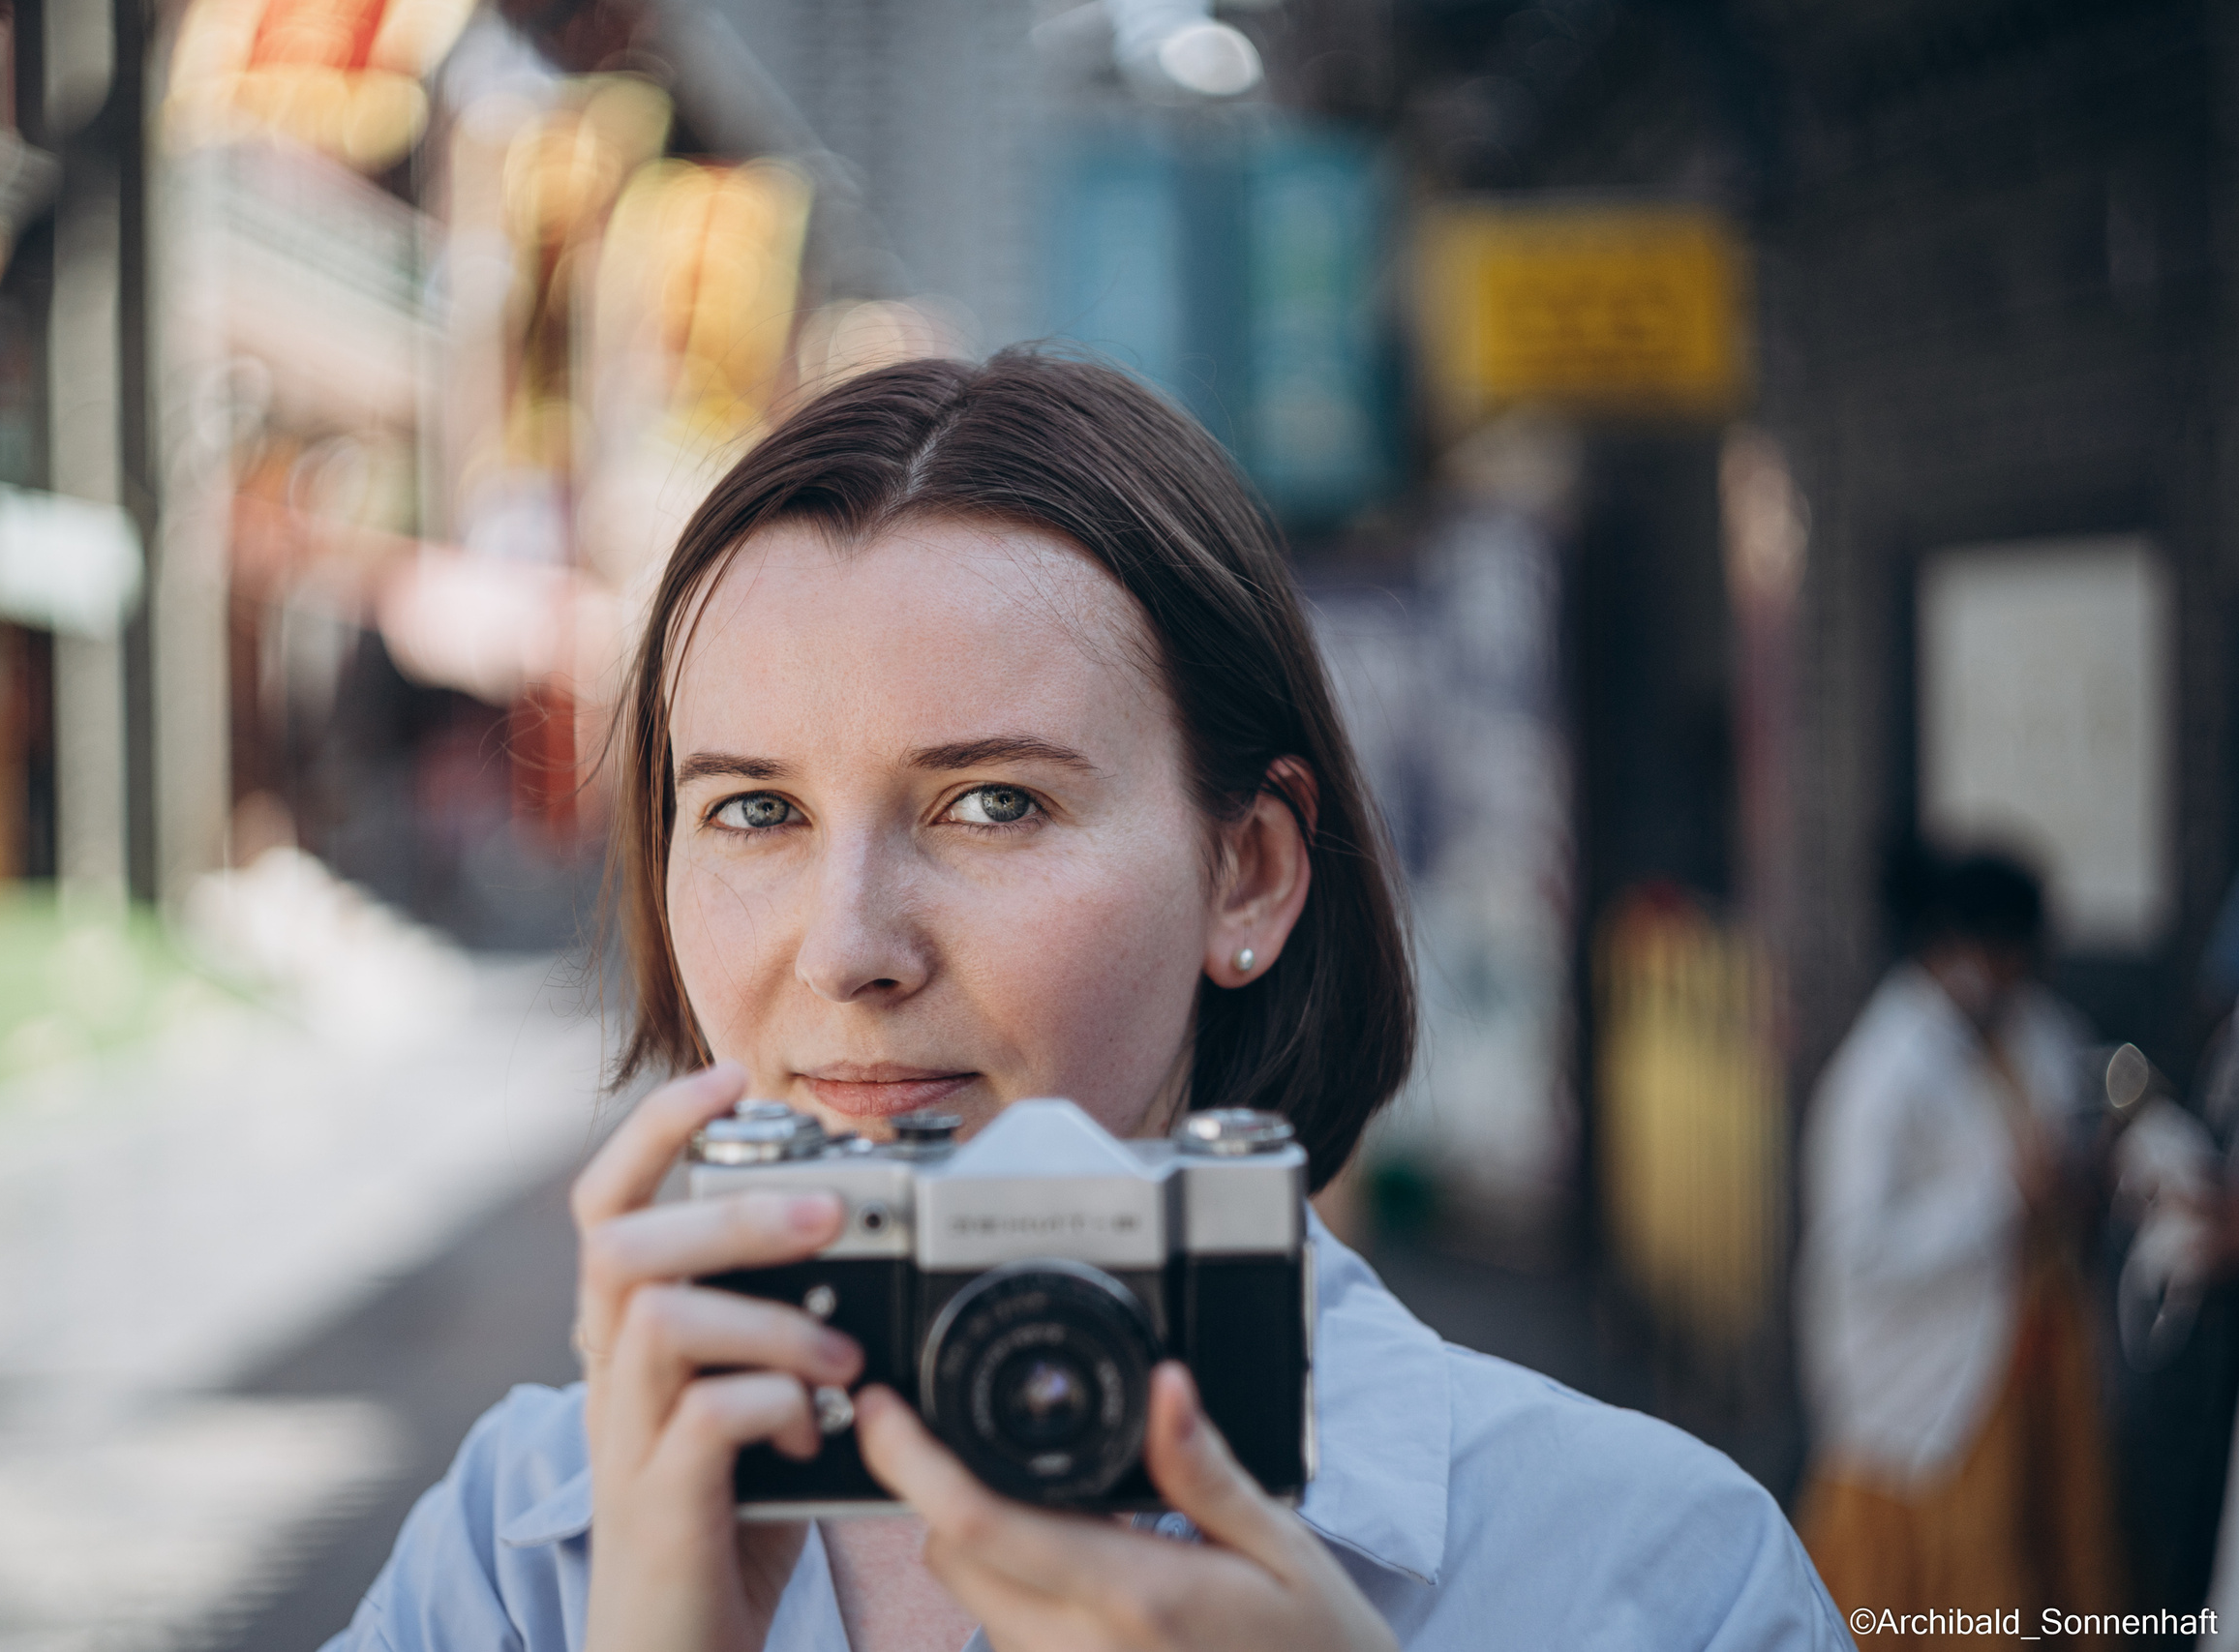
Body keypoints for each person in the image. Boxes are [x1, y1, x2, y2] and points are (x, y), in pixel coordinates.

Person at [323, 350, 1845, 1652]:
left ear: (1249, 870)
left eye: (995, 803)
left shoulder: (1653, 1571)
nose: (848, 947)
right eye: (753, 810)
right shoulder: (515, 1554)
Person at [1795, 850, 2123, 1635]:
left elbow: (2078, 1116)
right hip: (1928, 1391)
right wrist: (2004, 1198)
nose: (2018, 978)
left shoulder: (2035, 1030)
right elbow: (1857, 1249)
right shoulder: (1881, 1073)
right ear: (1960, 948)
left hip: (2031, 1371)